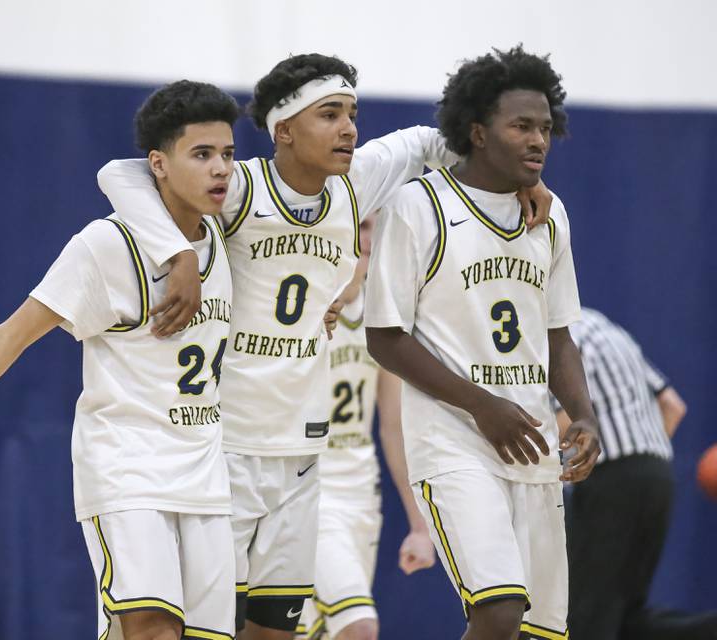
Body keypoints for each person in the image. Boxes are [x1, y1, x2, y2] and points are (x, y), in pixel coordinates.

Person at [96, 53, 551, 640]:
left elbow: (436, 140)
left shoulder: (359, 179)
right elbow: (121, 174)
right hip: (223, 449)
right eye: (330, 114)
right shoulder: (239, 188)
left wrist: (528, 177)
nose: (349, 129)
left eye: (353, 114)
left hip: (306, 456)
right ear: (284, 129)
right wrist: (176, 252)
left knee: (276, 630)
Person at [0, 80, 239, 640]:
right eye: (202, 154)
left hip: (206, 471)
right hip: (128, 466)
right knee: (152, 629)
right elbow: (16, 331)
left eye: (227, 154)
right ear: (159, 165)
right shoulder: (106, 245)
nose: (220, 169)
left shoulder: (225, 233)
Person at [364, 45, 601, 640]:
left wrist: (584, 414)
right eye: (521, 126)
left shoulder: (550, 214)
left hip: (532, 440)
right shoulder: (418, 206)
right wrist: (481, 404)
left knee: (538, 632)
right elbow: (386, 338)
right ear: (477, 130)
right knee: (497, 611)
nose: (538, 140)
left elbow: (557, 333)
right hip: (454, 441)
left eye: (545, 128)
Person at [296, 218, 436, 640]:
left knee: (315, 632)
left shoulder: (382, 317)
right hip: (308, 494)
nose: (370, 240)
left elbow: (393, 428)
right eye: (361, 226)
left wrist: (419, 522)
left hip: (361, 496)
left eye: (377, 229)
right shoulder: (302, 308)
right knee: (358, 627)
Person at [555, 307, 717, 640]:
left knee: (584, 617)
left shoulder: (552, 336)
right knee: (625, 618)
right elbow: (673, 406)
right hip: (657, 474)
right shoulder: (605, 328)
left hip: (610, 480)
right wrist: (639, 463)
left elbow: (565, 424)